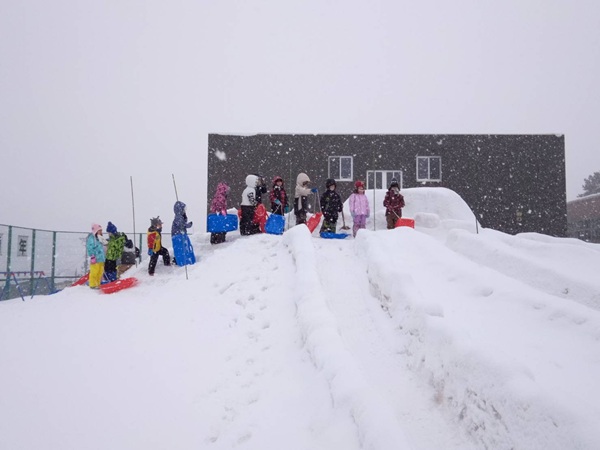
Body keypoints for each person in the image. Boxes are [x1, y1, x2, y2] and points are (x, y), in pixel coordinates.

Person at [86, 223, 106, 289]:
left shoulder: (99, 238)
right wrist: (92, 255)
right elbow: (89, 248)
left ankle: (98, 284)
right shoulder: (91, 238)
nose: (101, 232)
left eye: (101, 230)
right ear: (96, 231)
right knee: (94, 272)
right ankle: (93, 285)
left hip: (101, 258)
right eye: (99, 230)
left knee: (100, 272)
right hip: (95, 258)